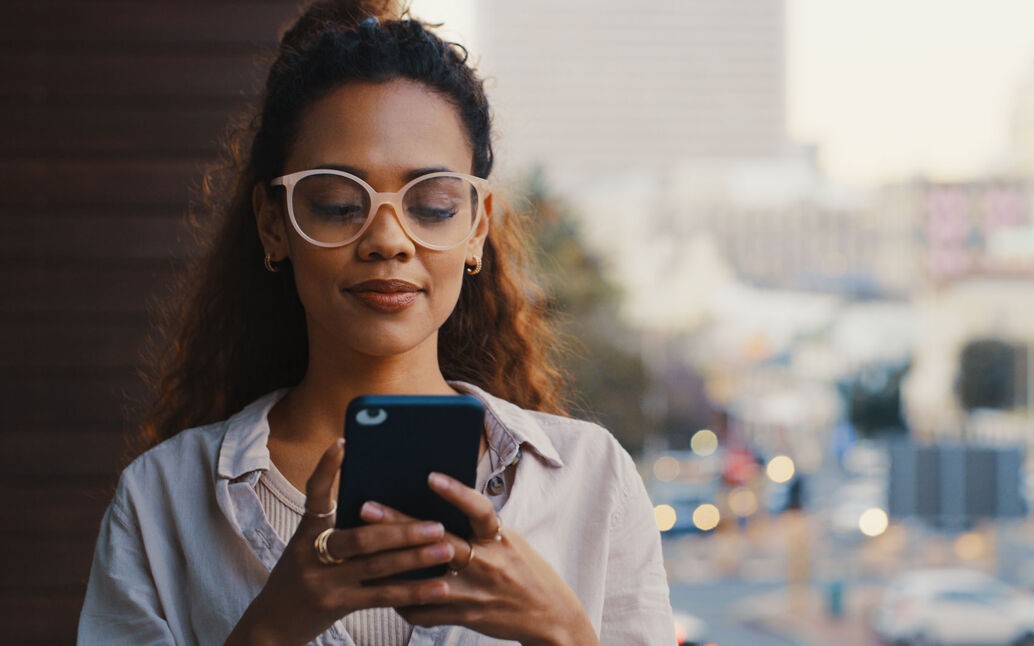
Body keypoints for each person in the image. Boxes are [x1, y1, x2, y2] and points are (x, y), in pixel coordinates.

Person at [77, 1, 674, 644]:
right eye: (338, 203)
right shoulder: (162, 500)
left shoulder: (592, 480)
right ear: (274, 224)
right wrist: (272, 627)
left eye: (434, 206)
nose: (388, 239)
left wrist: (565, 632)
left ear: (477, 228)